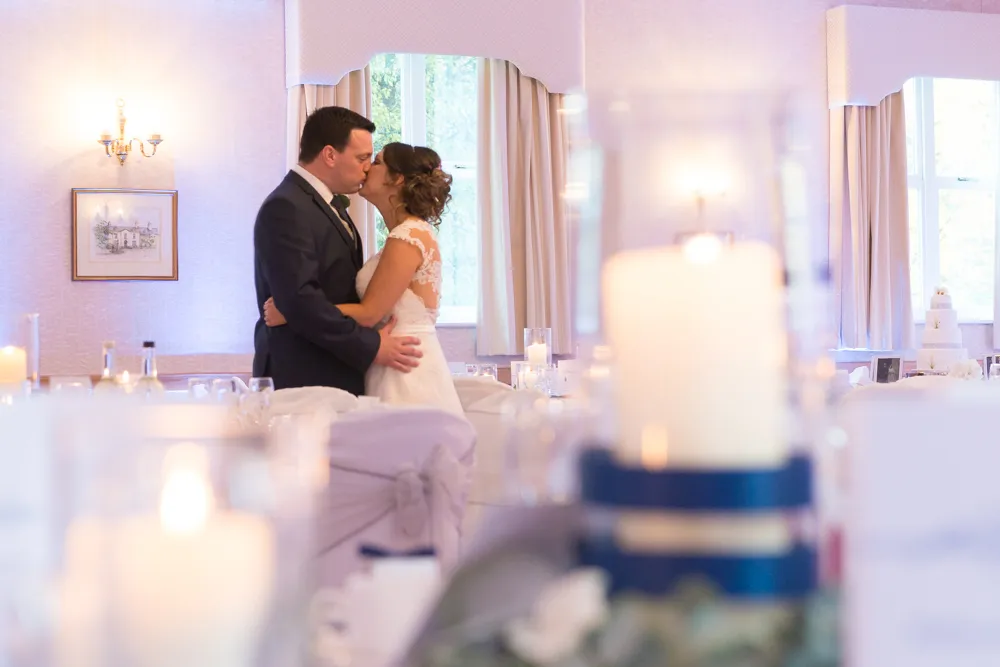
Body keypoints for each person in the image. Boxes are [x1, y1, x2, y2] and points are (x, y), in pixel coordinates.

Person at [264, 142, 464, 415]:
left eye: (378, 161)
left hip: (405, 367)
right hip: (388, 359)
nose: (368, 166)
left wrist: (293, 311)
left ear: (397, 179)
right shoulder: (403, 235)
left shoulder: (407, 237)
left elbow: (369, 313)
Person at [253, 106, 422, 394]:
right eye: (361, 158)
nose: (367, 167)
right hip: (303, 372)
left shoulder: (326, 204)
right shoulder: (287, 207)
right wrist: (371, 346)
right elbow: (300, 299)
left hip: (332, 370)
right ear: (330, 155)